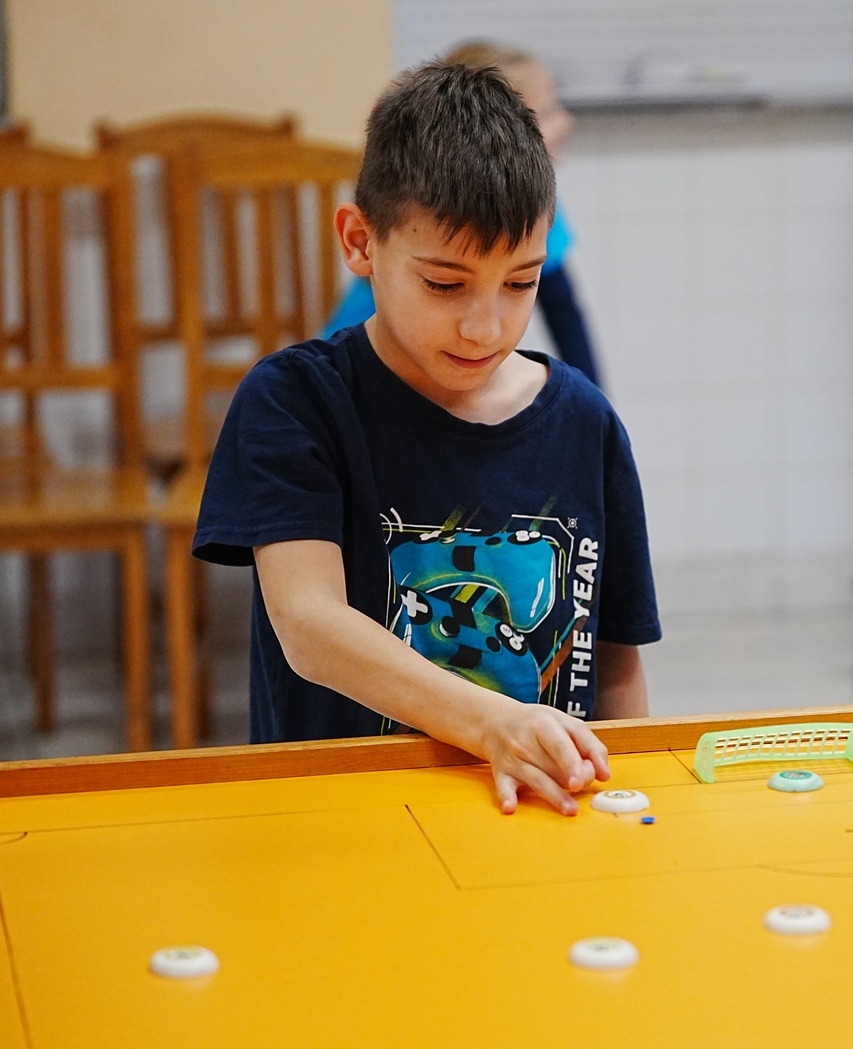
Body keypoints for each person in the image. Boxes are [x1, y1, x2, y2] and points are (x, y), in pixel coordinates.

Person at [194, 60, 660, 815]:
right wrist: (492, 724)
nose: (485, 328)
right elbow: (310, 626)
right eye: (445, 284)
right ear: (361, 242)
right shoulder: (295, 401)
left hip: (542, 825)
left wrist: (630, 808)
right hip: (342, 823)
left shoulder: (584, 423)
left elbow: (617, 670)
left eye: (521, 283)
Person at [320, 40, 603, 388]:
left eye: (519, 282)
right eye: (546, 112)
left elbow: (564, 313)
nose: (565, 122)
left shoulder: (534, 208)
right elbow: (564, 313)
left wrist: (590, 403)